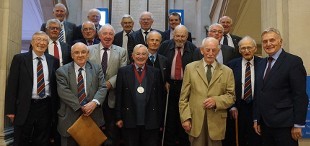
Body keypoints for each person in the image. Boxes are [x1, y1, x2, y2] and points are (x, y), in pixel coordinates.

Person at [253, 27, 308, 146]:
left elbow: (300, 95)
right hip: (265, 125)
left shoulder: (293, 62)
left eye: (272, 40)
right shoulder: (261, 64)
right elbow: (259, 93)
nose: (268, 44)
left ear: (280, 41)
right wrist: (257, 118)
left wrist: (298, 124)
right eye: (265, 41)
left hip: (286, 125)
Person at [5, 31, 59, 146]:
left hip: (45, 106)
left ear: (48, 43)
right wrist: (10, 110)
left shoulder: (53, 60)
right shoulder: (20, 59)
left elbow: (55, 85)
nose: (41, 43)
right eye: (38, 40)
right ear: (32, 42)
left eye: (44, 40)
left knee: (42, 139)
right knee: (21, 139)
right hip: (25, 106)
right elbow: (12, 85)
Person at [179, 37, 235, 146]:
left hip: (216, 122)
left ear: (218, 52)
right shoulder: (190, 68)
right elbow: (183, 98)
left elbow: (231, 97)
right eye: (207, 50)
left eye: (214, 50)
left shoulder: (227, 71)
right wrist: (185, 118)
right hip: (195, 121)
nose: (210, 53)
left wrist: (216, 101)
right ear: (201, 50)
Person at [56, 42, 107, 146]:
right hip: (69, 119)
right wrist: (81, 106)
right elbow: (63, 92)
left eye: (83, 52)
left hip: (93, 117)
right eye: (76, 52)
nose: (80, 55)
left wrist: (94, 103)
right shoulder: (62, 71)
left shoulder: (97, 68)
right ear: (72, 55)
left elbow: (102, 87)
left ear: (88, 54)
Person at [115, 44, 164, 146]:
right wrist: (118, 117)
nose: (140, 56)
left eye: (143, 54)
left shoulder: (156, 72)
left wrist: (160, 120)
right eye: (137, 54)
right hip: (129, 118)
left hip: (151, 119)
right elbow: (119, 96)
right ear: (132, 56)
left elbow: (160, 98)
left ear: (147, 56)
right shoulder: (123, 71)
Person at [88, 24, 128, 146]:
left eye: (111, 34)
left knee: (112, 133)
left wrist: (108, 84)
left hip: (112, 98)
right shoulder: (88, 50)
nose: (108, 36)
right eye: (105, 33)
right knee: (93, 131)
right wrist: (99, 86)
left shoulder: (122, 51)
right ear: (99, 36)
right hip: (93, 97)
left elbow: (123, 71)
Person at [158, 25, 197, 146]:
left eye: (183, 36)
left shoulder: (193, 48)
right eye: (177, 36)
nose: (180, 39)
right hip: (168, 85)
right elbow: (159, 63)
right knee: (169, 117)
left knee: (184, 116)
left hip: (185, 86)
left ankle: (183, 142)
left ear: (187, 37)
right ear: (173, 36)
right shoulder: (165, 45)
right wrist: (164, 81)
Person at [227, 36, 262, 146]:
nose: (246, 51)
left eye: (249, 47)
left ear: (255, 48)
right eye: (243, 48)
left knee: (256, 139)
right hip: (238, 108)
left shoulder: (263, 63)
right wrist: (231, 106)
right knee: (238, 139)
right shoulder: (231, 65)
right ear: (239, 50)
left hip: (257, 108)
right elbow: (227, 88)